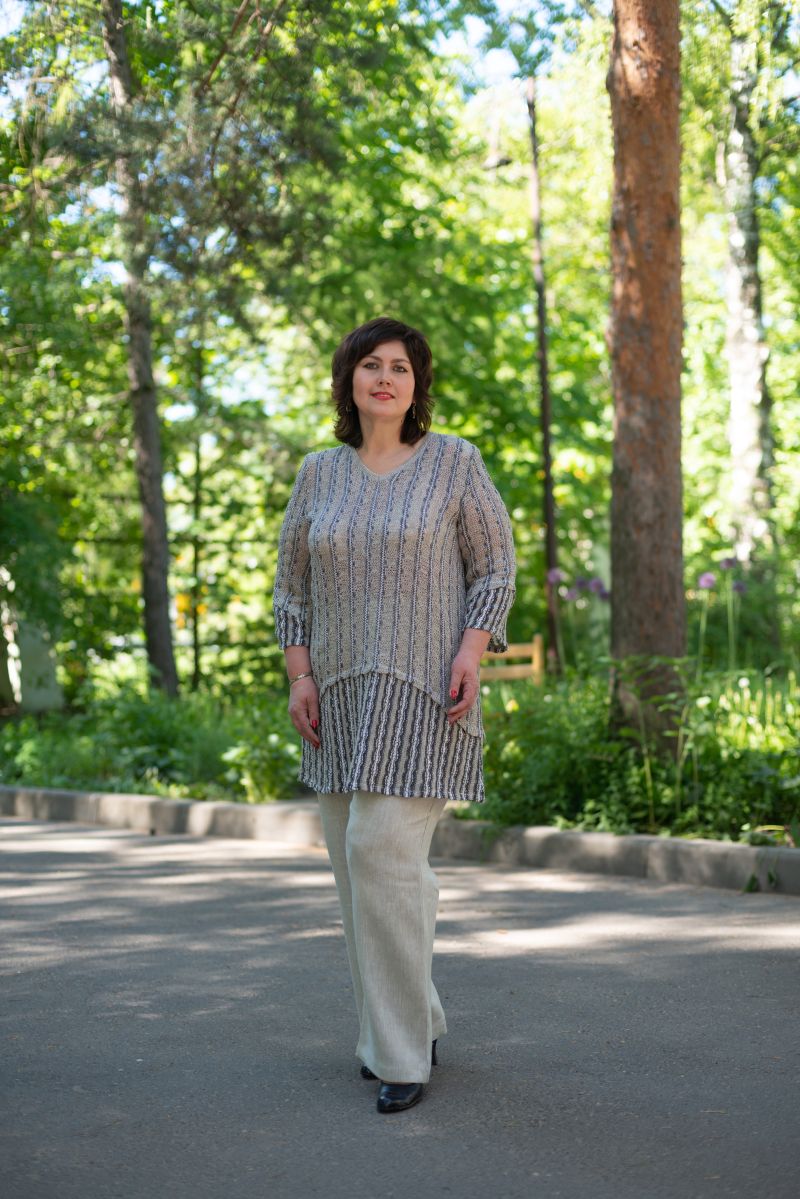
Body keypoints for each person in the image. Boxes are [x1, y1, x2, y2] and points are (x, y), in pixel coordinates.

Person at [273, 316, 516, 1114]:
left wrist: (472, 651)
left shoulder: (454, 462)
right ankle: (420, 1016)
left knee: (378, 850)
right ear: (349, 380)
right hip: (338, 700)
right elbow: (291, 586)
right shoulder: (318, 473)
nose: (386, 377)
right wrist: (299, 674)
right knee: (363, 874)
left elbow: (495, 566)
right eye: (371, 365)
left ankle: (400, 1055)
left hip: (424, 694)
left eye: (401, 367)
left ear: (418, 384)